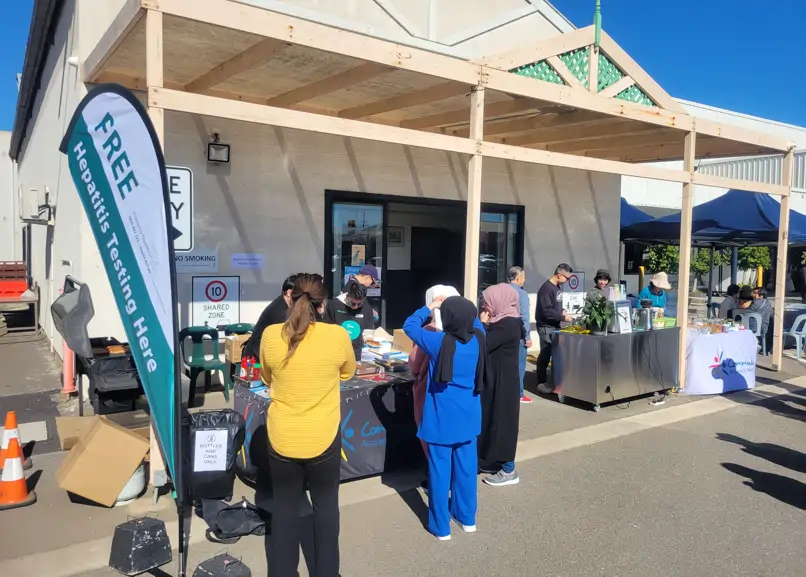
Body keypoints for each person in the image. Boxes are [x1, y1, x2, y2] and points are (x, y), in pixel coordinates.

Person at [260, 273, 356, 577]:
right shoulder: (337, 336)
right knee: (326, 508)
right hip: (324, 436)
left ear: (289, 297)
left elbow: (266, 377)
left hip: (281, 437)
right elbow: (347, 373)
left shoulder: (270, 335)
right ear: (323, 303)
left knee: (285, 511)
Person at [403, 295, 485, 541]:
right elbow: (476, 322)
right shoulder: (480, 339)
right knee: (467, 469)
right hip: (469, 415)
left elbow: (409, 326)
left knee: (440, 472)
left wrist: (429, 307)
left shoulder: (438, 342)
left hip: (441, 417)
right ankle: (467, 518)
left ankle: (441, 527)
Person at [478, 284, 524, 487]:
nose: (485, 305)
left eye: (488, 301)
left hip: (504, 384)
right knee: (492, 421)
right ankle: (491, 461)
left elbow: (483, 343)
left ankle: (508, 470)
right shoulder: (505, 320)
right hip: (498, 379)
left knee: (503, 424)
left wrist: (482, 324)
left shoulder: (507, 324)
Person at [409, 285, 461, 459]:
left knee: (433, 441)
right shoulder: (470, 331)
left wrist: (429, 307)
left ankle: (435, 477)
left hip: (428, 389)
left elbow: (415, 365)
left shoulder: (429, 330)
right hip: (460, 395)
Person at [535, 263, 573, 394]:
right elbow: (546, 311)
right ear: (559, 275)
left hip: (555, 326)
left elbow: (556, 306)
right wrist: (563, 318)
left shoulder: (557, 288)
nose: (567, 281)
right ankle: (541, 382)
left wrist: (563, 312)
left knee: (555, 354)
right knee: (545, 354)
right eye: (567, 278)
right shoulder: (546, 289)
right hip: (546, 326)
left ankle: (552, 380)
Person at [242, 274, 298, 360]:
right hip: (256, 357)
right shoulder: (280, 311)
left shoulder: (283, 304)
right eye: (299, 294)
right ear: (289, 293)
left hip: (262, 352)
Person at [324, 279, 376, 360]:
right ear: (348, 296)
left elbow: (368, 330)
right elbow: (326, 328)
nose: (355, 307)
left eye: (359, 304)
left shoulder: (366, 307)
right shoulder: (334, 304)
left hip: (355, 352)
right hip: (336, 350)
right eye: (353, 303)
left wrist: (369, 340)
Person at [508, 266, 532, 404]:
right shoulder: (521, 294)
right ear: (518, 278)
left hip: (503, 333)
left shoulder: (501, 290)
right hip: (518, 334)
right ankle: (519, 393)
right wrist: (527, 337)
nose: (525, 279)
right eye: (524, 277)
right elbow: (524, 317)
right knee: (520, 364)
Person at [750, 287, 772, 354]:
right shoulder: (767, 302)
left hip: (758, 327)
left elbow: (745, 310)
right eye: (752, 293)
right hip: (765, 326)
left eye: (755, 293)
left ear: (761, 295)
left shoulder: (756, 303)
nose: (753, 295)